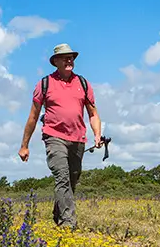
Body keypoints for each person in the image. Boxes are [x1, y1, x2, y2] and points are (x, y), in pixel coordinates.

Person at [18, 43, 102, 229]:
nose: (69, 60)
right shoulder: (45, 84)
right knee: (62, 177)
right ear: (55, 61)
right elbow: (33, 116)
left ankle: (59, 212)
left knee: (72, 180)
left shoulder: (83, 83)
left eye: (71, 57)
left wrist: (97, 134)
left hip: (78, 139)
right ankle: (68, 224)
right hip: (54, 137)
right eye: (64, 57)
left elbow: (93, 114)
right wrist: (24, 145)